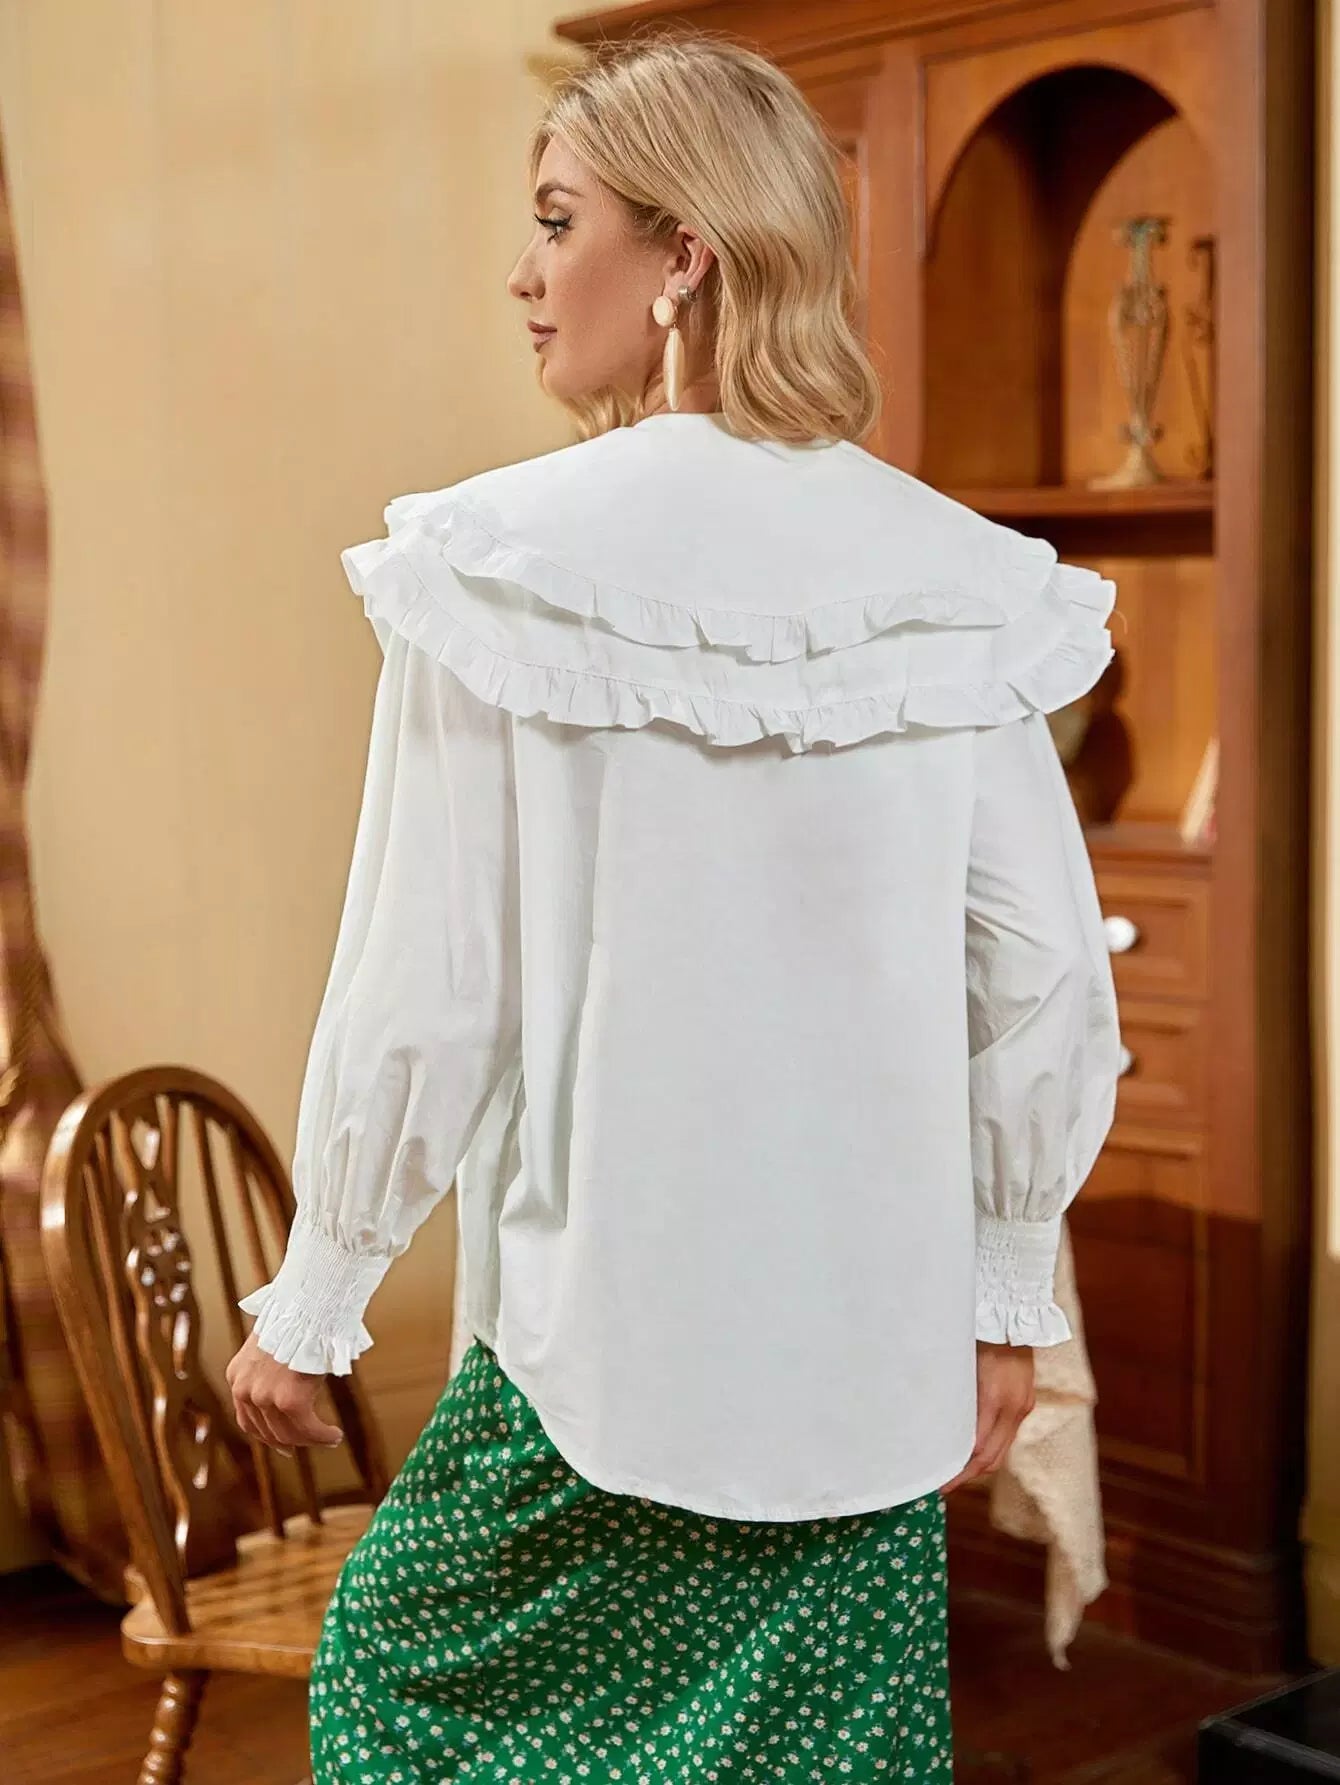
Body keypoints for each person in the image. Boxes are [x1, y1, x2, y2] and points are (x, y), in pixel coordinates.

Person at [224, 28, 1121, 1782]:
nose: (524, 272)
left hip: (605, 1354)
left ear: (686, 256)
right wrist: (1008, 1292)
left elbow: (437, 981)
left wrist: (318, 1292)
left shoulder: (492, 565)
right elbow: (1040, 980)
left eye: (558, 219)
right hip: (871, 1364)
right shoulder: (953, 582)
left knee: (393, 1687)